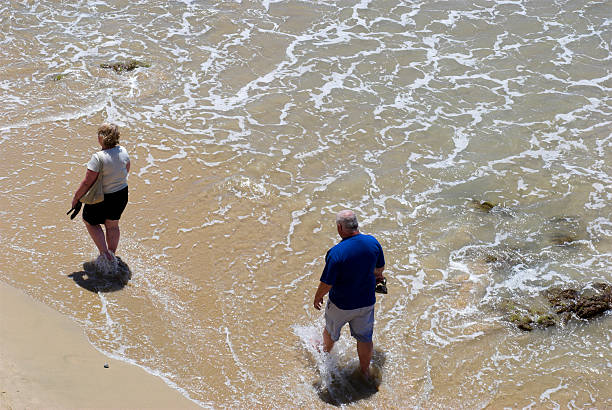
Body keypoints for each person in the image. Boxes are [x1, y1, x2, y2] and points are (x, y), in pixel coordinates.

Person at [313, 210, 385, 378]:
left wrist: (318, 296)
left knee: (330, 332)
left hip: (341, 304)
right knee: (365, 338)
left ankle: (324, 356)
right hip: (366, 302)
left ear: (339, 227)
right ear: (356, 224)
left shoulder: (336, 253)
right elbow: (379, 270)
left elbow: (327, 283)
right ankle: (365, 372)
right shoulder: (373, 243)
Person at [71, 123, 130, 263]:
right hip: (121, 194)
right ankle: (112, 253)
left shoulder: (98, 157)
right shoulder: (123, 150)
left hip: (102, 197)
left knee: (89, 221)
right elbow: (127, 168)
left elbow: (87, 182)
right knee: (112, 225)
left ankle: (104, 254)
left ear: (101, 138)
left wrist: (76, 197)